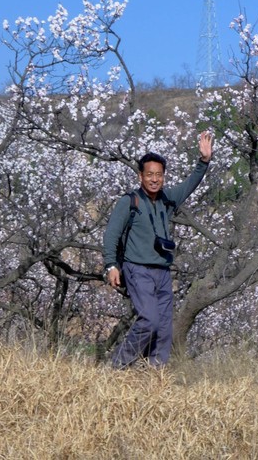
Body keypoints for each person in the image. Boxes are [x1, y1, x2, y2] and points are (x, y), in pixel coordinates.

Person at [102, 131, 213, 369]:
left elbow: (189, 185)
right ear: (140, 176)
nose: (154, 179)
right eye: (150, 174)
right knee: (149, 320)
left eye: (159, 175)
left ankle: (154, 373)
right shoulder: (129, 202)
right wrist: (111, 265)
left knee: (163, 328)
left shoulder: (167, 199)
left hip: (162, 272)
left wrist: (204, 161)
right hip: (137, 269)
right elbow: (111, 234)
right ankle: (117, 366)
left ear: (163, 176)